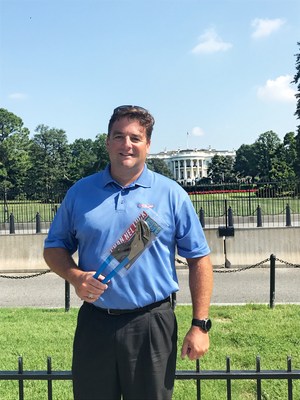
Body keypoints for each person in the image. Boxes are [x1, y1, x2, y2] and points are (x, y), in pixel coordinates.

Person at [43, 105, 213, 400]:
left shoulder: (171, 194)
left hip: (151, 322)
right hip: (95, 322)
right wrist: (74, 276)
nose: (126, 144)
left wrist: (200, 325)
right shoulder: (80, 193)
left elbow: (199, 258)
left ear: (148, 145)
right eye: (118, 136)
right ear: (107, 142)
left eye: (135, 137)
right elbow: (53, 248)